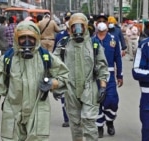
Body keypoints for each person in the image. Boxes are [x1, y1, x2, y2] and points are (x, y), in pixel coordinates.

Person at [0, 21, 69, 140]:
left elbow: (65, 75)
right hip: (13, 109)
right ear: (16, 39)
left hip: (38, 109)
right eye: (22, 38)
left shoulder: (45, 57)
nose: (27, 41)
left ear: (37, 38)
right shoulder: (7, 59)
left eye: (30, 37)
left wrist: (52, 83)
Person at [54, 13, 109, 141]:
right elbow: (55, 67)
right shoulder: (63, 45)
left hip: (89, 89)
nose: (77, 30)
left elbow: (102, 67)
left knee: (89, 122)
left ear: (85, 27)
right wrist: (56, 86)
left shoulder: (94, 44)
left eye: (80, 26)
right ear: (70, 28)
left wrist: (102, 87)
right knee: (75, 124)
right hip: (70, 89)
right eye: (74, 27)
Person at [93, 14, 123, 138]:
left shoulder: (113, 39)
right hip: (94, 75)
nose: (101, 23)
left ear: (107, 24)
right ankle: (99, 126)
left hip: (110, 74)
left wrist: (120, 75)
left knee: (112, 100)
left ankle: (109, 121)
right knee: (96, 101)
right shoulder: (91, 40)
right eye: (99, 21)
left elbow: (118, 58)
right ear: (95, 24)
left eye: (103, 21)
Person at [53, 11, 73, 127]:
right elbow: (55, 53)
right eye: (67, 19)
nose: (68, 21)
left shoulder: (80, 36)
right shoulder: (60, 36)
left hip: (76, 70)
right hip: (63, 69)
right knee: (64, 95)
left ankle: (77, 118)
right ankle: (67, 118)